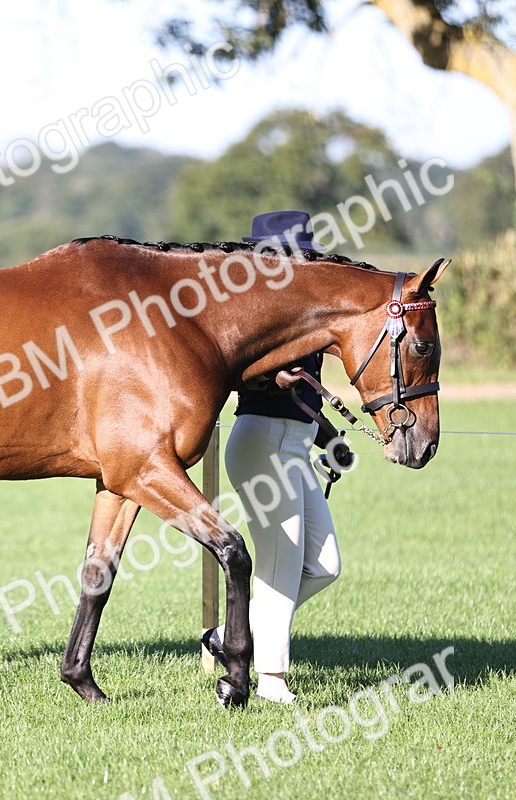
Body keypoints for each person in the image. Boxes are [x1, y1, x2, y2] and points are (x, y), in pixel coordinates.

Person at [201, 210, 342, 704]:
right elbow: (231, 371)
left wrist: (328, 437)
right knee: (279, 566)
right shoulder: (247, 311)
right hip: (263, 442)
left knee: (324, 564)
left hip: (295, 444)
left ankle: (227, 635)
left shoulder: (306, 310)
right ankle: (270, 680)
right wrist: (267, 376)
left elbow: (309, 392)